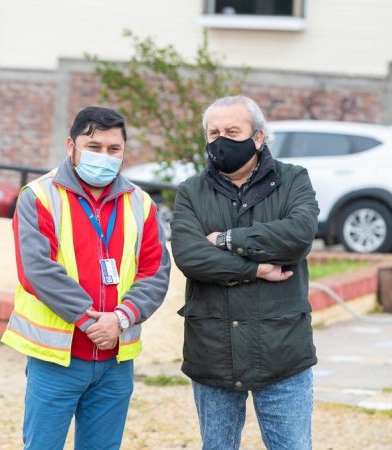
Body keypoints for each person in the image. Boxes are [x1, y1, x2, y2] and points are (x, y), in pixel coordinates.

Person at [1, 106, 171, 449]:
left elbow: (156, 270)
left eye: (114, 149)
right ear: (71, 146)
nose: (104, 156)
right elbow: (37, 270)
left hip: (115, 361)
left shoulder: (142, 203)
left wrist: (121, 319)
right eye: (93, 147)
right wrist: (88, 319)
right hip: (56, 359)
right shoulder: (39, 196)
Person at [170, 95, 319, 449]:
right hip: (213, 352)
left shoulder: (294, 180)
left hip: (282, 353)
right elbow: (190, 256)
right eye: (213, 132)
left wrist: (226, 239)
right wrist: (256, 269)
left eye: (232, 131)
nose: (220, 140)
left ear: (258, 137)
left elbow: (298, 235)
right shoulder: (191, 192)